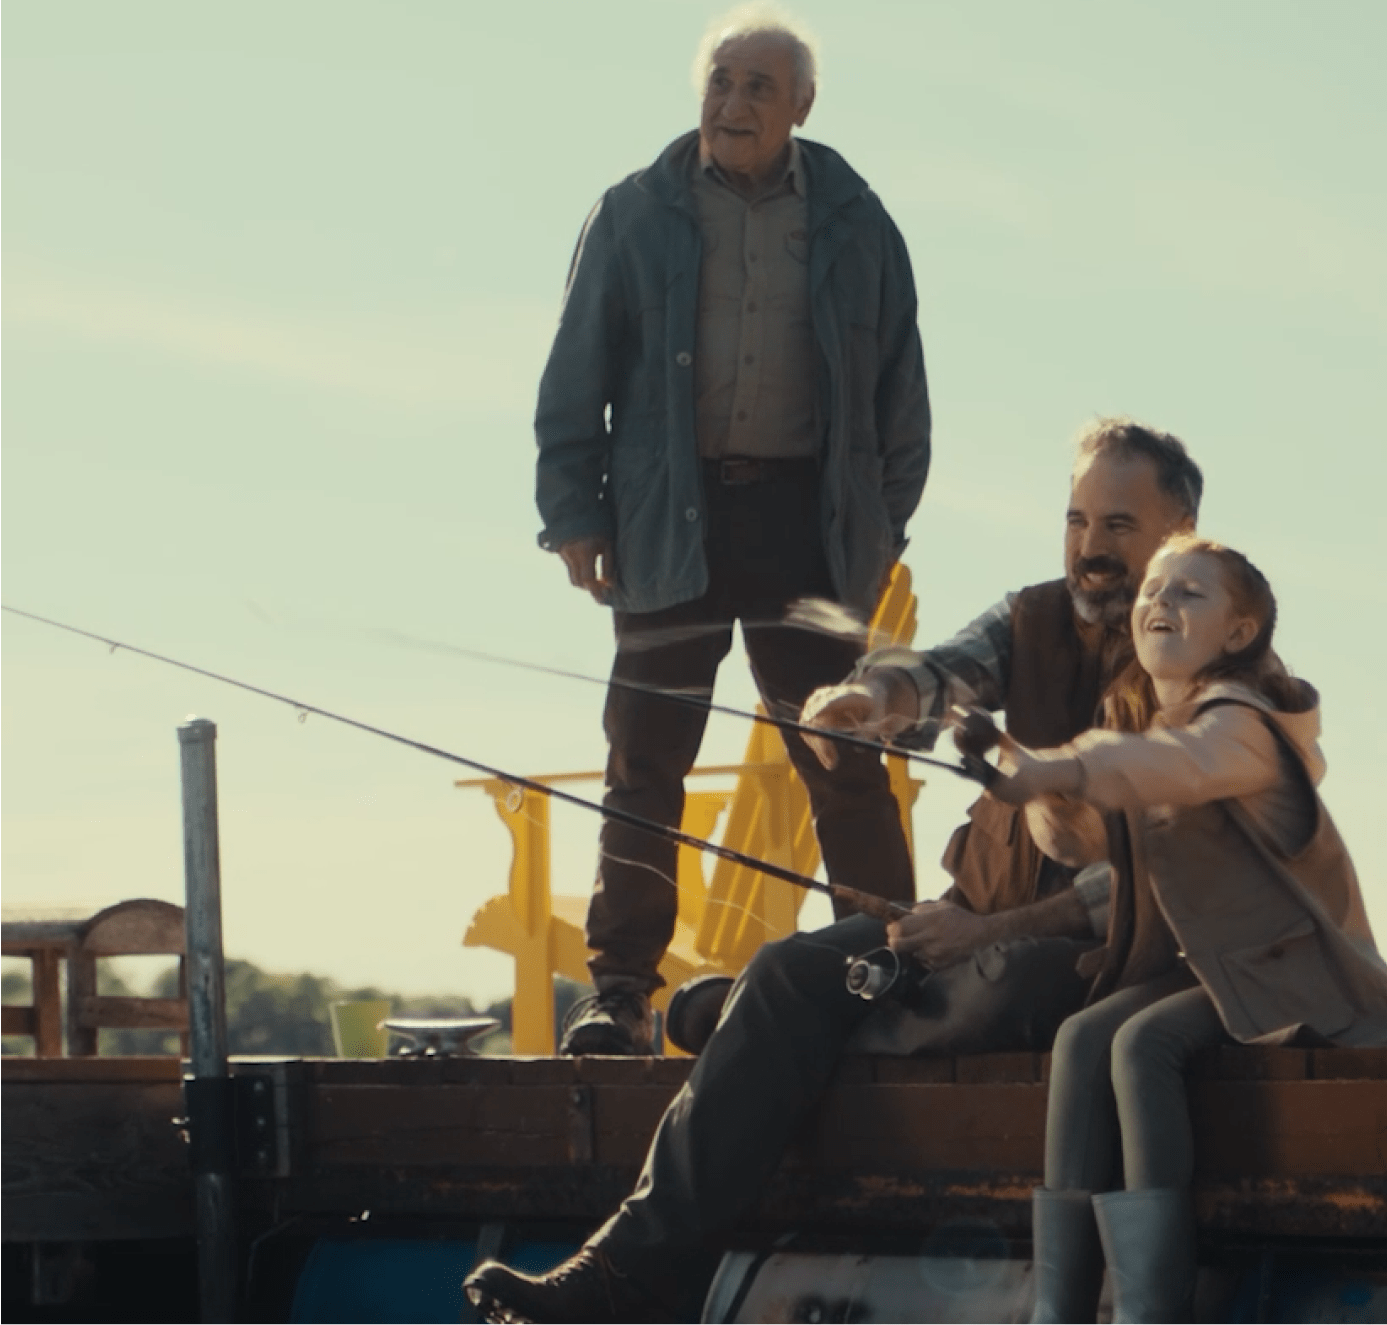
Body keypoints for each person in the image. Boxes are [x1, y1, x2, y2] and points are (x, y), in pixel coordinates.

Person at [464, 418, 1205, 1325]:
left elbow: (1151, 884)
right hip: (961, 930)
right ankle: (626, 1269)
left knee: (1008, 982)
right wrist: (867, 695)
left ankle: (738, 1025)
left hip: (1091, 956)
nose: (1089, 547)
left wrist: (986, 931)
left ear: (1178, 532)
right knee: (790, 968)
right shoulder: (1035, 617)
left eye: (1118, 526)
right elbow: (939, 671)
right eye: (1076, 520)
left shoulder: (1206, 661)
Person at [536, 7, 931, 1056]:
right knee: (645, 760)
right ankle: (620, 993)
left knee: (844, 754)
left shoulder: (858, 221)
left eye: (759, 85)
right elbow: (573, 373)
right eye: (720, 80)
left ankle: (896, 973)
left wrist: (878, 531)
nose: (733, 102)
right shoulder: (633, 212)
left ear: (801, 106)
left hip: (807, 528)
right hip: (666, 520)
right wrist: (573, 512)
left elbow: (902, 396)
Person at [983, 535, 1387, 1325]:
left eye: (1188, 592)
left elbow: (1180, 764)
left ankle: (1150, 1309)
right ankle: (1058, 1308)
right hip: (1218, 967)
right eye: (1151, 589)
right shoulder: (1147, 730)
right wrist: (1032, 785)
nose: (1158, 601)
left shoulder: (1243, 725)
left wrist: (1065, 766)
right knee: (1080, 1037)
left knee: (1143, 1043)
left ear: (1238, 633)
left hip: (1297, 973)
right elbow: (1083, 841)